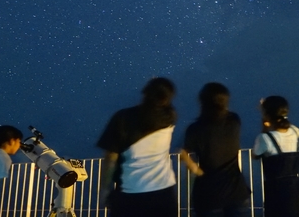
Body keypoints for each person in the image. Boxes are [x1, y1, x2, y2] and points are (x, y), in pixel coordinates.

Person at [97, 77, 178, 217]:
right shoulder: (170, 117)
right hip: (164, 193)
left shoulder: (123, 118)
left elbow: (111, 157)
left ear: (145, 93)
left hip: (131, 193)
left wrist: (105, 188)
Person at [179, 82, 251, 217]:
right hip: (236, 192)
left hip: (208, 194)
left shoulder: (195, 129)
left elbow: (184, 152)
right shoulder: (234, 120)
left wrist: (195, 169)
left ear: (202, 102)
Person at [252, 96, 299, 217]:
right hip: (296, 189)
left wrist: (264, 126)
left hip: (276, 192)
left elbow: (255, 155)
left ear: (267, 114)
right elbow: (287, 127)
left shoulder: (265, 138)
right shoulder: (295, 131)